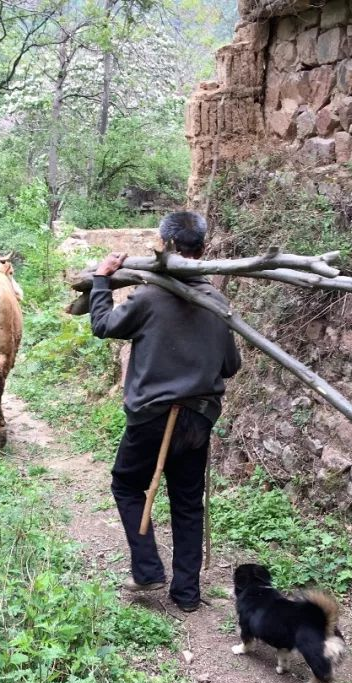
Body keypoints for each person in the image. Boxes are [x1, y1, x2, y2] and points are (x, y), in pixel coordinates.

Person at [89, 211, 242, 612]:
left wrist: (102, 280)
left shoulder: (147, 297)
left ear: (164, 246)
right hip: (197, 417)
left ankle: (148, 569)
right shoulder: (216, 301)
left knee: (126, 484)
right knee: (188, 503)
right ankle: (187, 594)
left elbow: (103, 324)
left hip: (151, 416)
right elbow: (231, 366)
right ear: (202, 250)